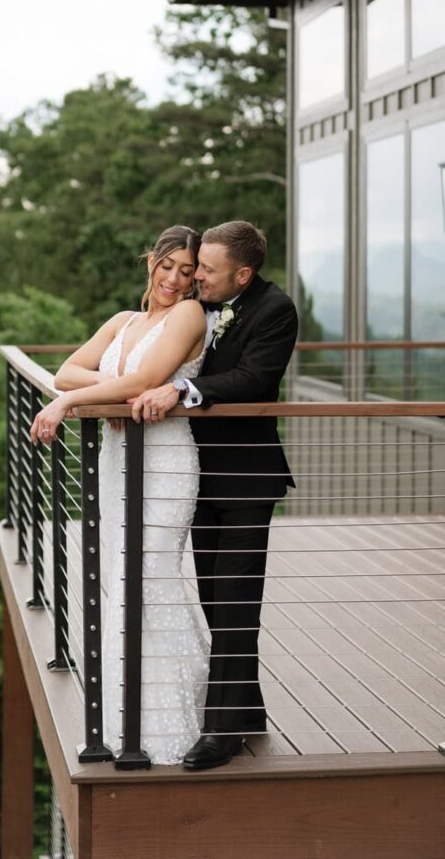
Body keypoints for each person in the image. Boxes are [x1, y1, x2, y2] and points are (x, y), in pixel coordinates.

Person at [30, 226, 210, 765]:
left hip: (165, 461)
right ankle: (122, 717)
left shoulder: (190, 316)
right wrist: (95, 396)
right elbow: (66, 370)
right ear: (150, 261)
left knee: (150, 578)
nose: (175, 279)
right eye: (168, 265)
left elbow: (145, 380)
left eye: (187, 270)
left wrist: (69, 405)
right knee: (120, 577)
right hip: (115, 462)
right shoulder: (123, 321)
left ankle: (172, 723)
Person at [131, 220, 298, 770]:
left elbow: (253, 379)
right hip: (201, 477)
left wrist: (183, 387)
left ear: (242, 274)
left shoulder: (276, 311)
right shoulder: (203, 306)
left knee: (234, 600)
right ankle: (246, 707)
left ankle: (222, 733)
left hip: (249, 479)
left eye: (207, 269)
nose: (196, 275)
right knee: (216, 598)